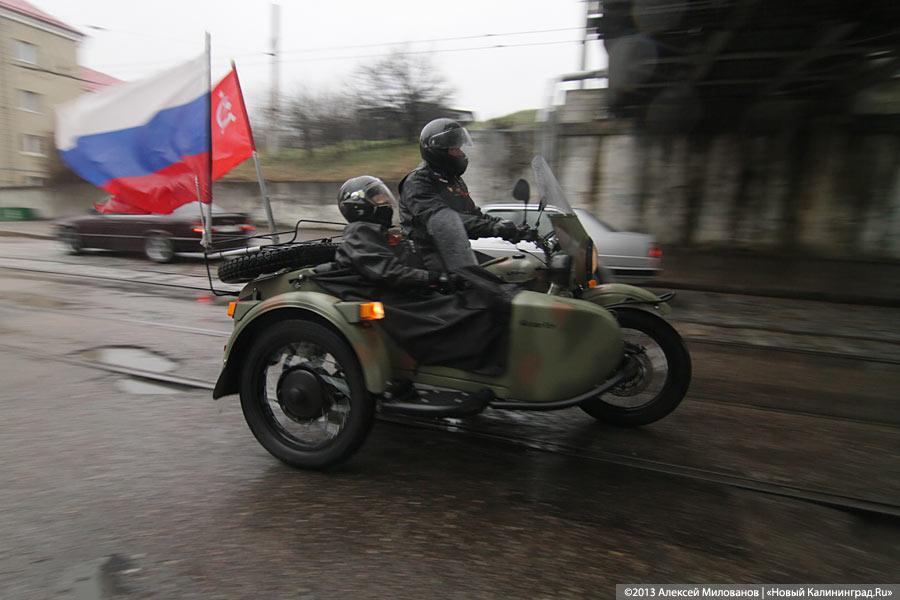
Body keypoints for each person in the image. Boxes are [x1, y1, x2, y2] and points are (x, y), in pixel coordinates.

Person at [312, 176, 515, 372]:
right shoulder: (360, 232)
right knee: (475, 308)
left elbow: (407, 260)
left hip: (401, 293)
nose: (384, 202)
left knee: (475, 294)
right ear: (358, 205)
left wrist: (447, 271)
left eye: (383, 196)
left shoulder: (378, 231)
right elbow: (388, 271)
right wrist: (435, 279)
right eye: (377, 198)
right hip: (394, 301)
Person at [399, 118, 530, 272]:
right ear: (438, 152)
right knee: (488, 287)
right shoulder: (417, 182)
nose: (461, 153)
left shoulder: (453, 180)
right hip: (427, 256)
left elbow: (473, 214)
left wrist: (509, 226)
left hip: (454, 251)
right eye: (455, 149)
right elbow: (444, 221)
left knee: (508, 272)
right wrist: (495, 228)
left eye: (460, 148)